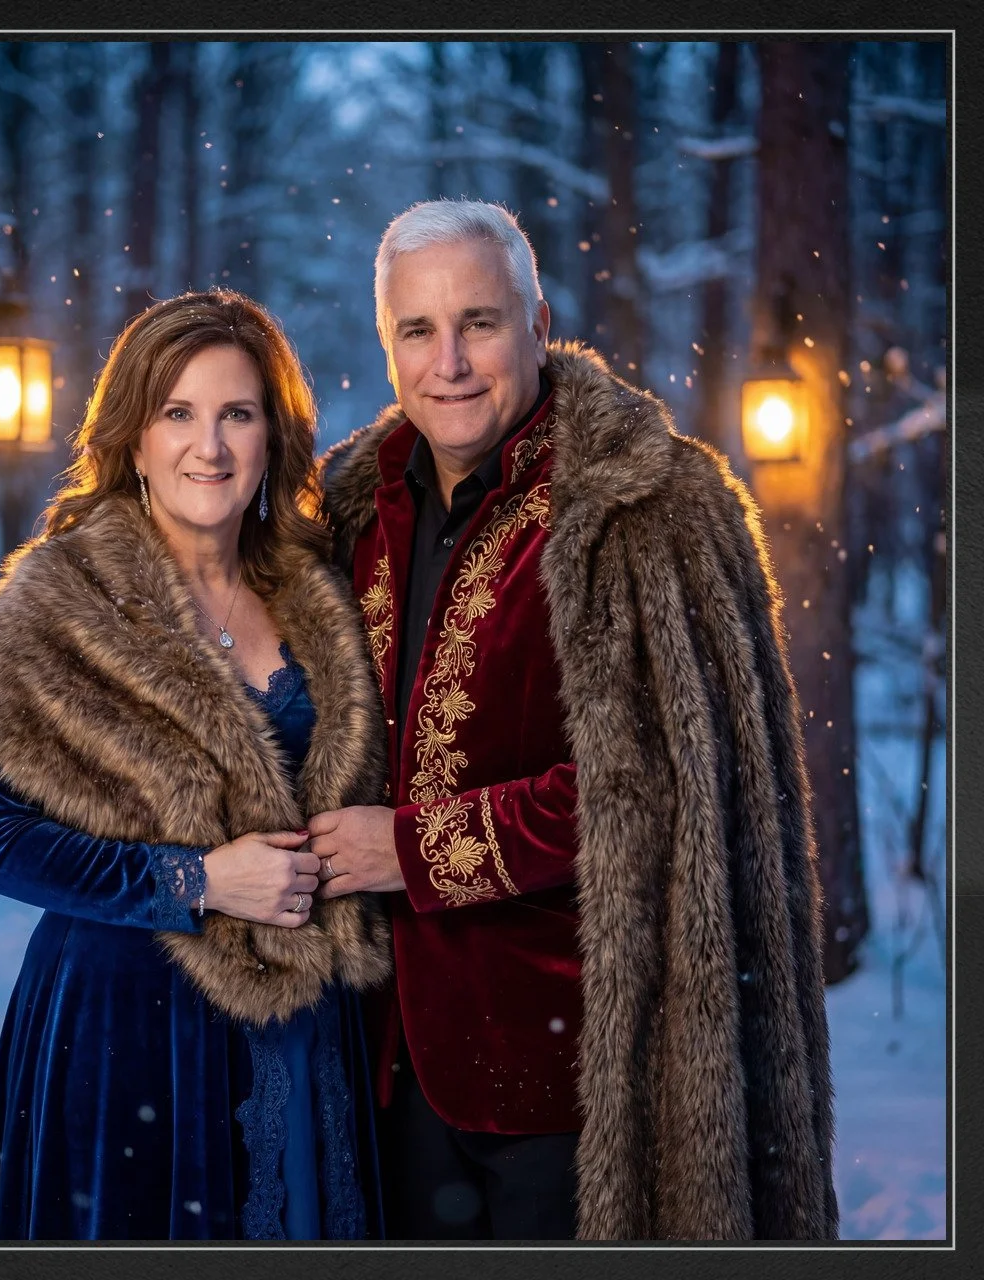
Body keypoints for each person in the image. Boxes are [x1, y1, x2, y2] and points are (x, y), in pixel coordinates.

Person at [307, 199, 836, 1240]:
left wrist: (412, 850)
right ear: (387, 345)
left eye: (481, 322)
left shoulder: (646, 506)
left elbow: (656, 783)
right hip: (378, 1051)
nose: (449, 360)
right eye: (418, 330)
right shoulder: (351, 511)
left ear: (539, 319)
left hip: (576, 1071)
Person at [0, 291, 392, 1240]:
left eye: (237, 414)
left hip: (306, 1031)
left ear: (273, 436)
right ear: (132, 440)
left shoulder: (319, 591)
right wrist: (197, 880)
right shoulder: (60, 602)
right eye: (177, 414)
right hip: (126, 1024)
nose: (208, 447)